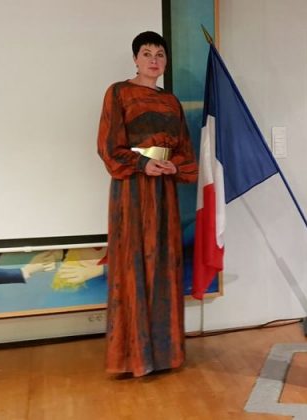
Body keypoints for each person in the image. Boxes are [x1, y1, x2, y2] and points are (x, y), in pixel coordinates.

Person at [97, 31, 198, 377]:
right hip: (133, 189)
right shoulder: (118, 92)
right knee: (133, 261)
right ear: (135, 59)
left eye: (160, 54)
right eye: (146, 53)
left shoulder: (171, 101)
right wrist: (143, 164)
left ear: (166, 61)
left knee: (164, 264)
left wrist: (173, 166)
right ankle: (133, 357)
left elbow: (184, 150)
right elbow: (108, 146)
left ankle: (165, 355)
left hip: (164, 191)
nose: (154, 60)